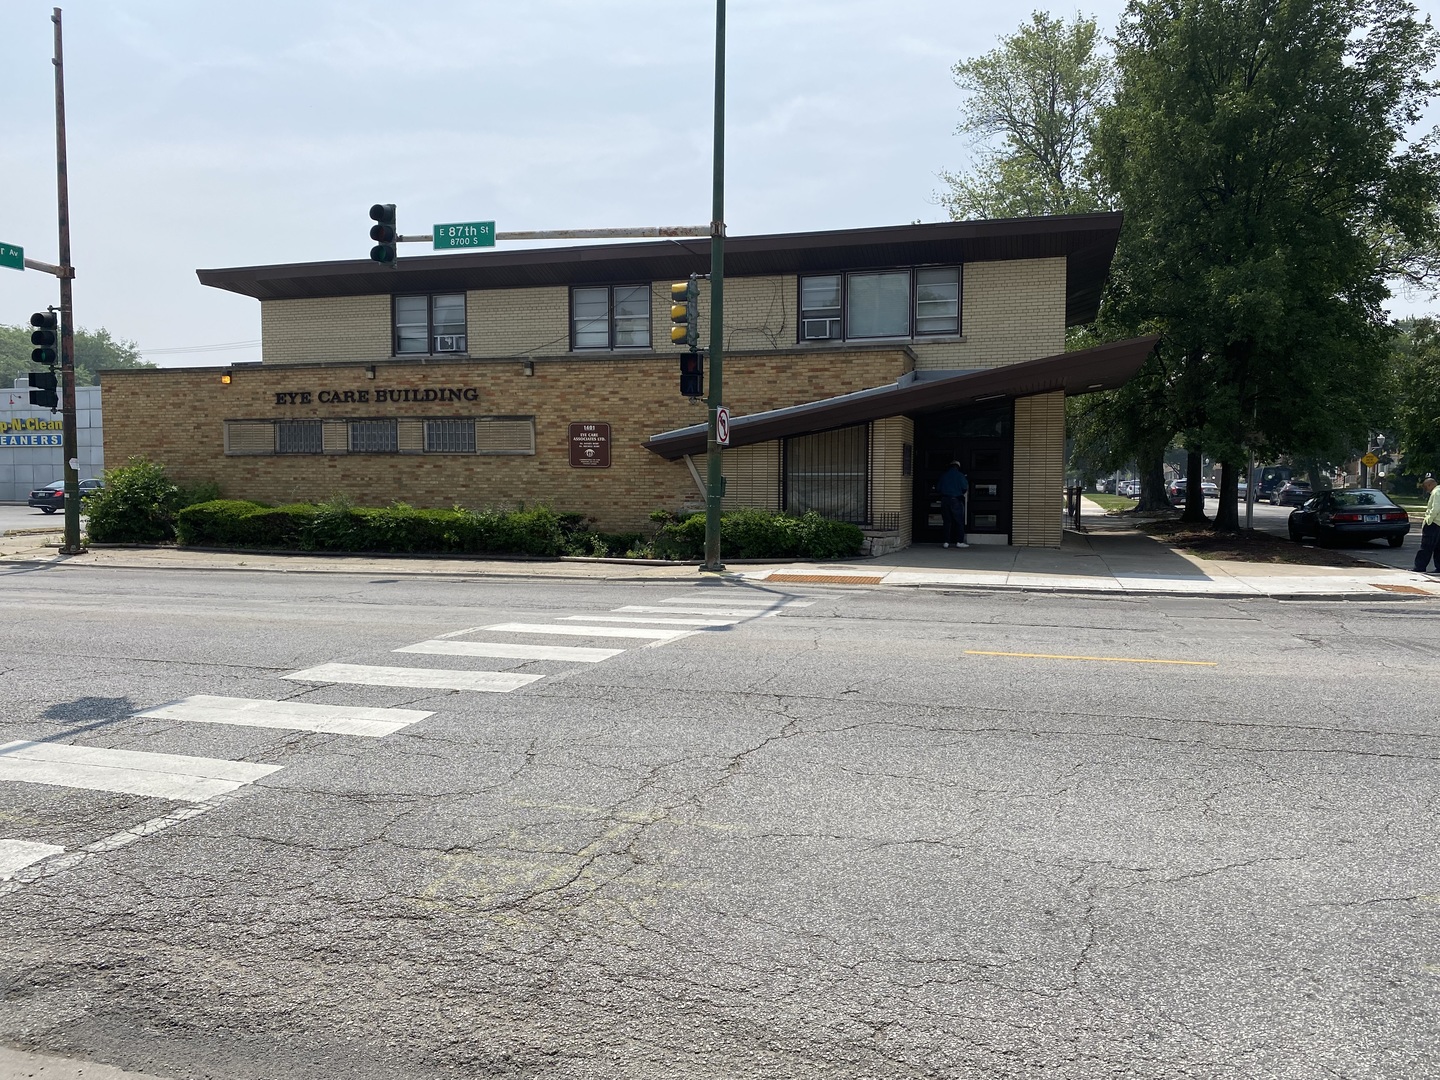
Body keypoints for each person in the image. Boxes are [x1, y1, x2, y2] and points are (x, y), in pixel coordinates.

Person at [937, 460, 969, 548]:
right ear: (958, 467)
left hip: (944, 500)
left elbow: (938, 488)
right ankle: (959, 541)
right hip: (956, 500)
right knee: (959, 521)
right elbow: (964, 487)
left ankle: (946, 542)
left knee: (947, 522)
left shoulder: (944, 475)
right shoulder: (960, 475)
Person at [1414, 473, 1440, 574]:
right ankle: (1439, 567)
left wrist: (1429, 519)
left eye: (1426, 488)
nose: (1427, 491)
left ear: (1430, 485)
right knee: (1438, 547)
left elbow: (1436, 508)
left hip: (1434, 523)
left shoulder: (1436, 492)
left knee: (1426, 547)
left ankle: (1420, 566)